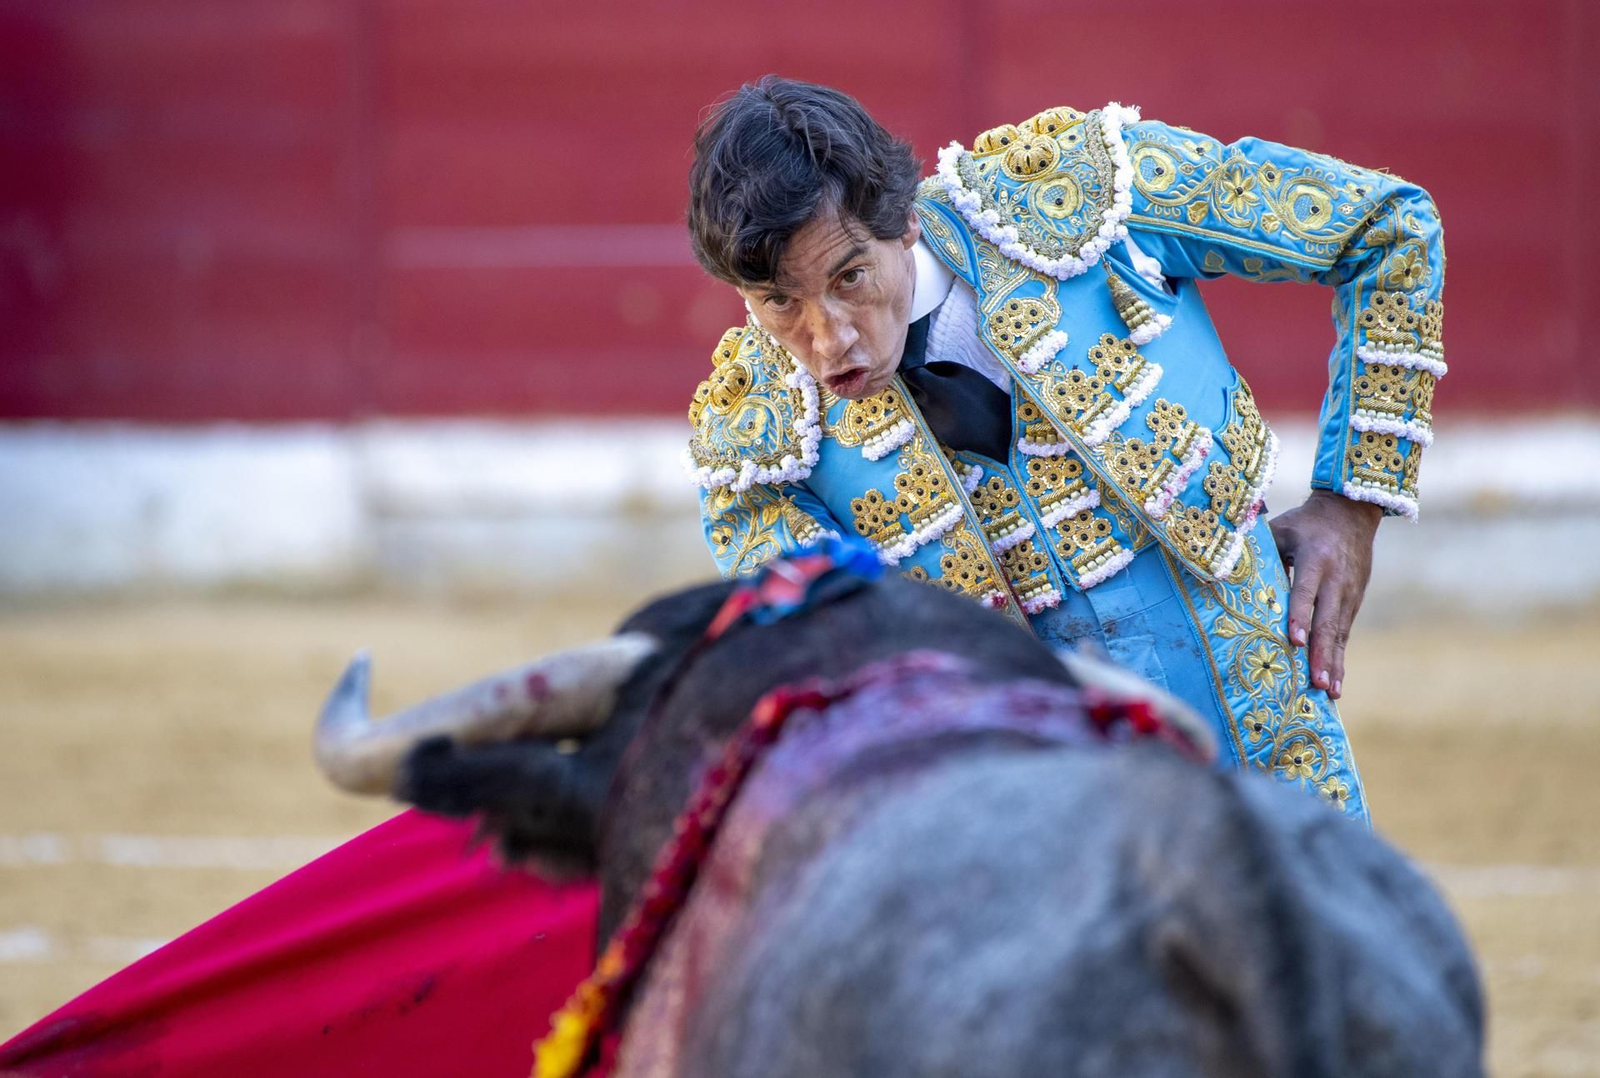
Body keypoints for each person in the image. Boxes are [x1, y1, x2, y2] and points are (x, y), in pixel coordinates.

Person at [686, 77, 1447, 823]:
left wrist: (1353, 503)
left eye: (850, 277)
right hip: (1046, 851)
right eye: (779, 302)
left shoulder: (1091, 195)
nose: (830, 340)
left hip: (1275, 769)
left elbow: (1386, 228)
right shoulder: (757, 448)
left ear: (906, 221)